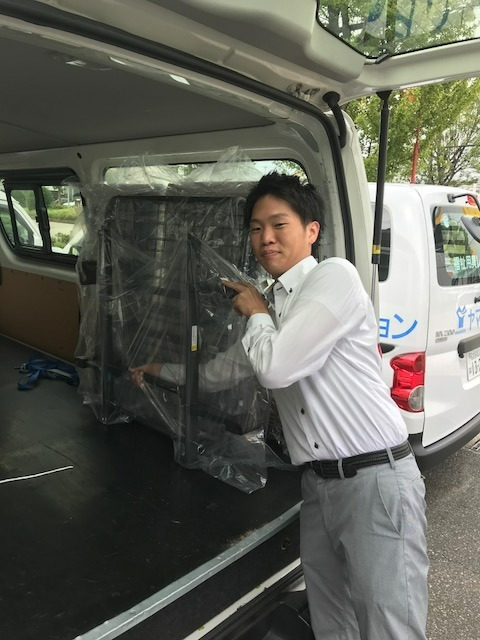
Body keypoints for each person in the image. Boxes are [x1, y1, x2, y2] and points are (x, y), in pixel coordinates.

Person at [131, 172, 429, 640]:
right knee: (333, 622)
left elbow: (275, 367)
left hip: (374, 481)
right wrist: (157, 370)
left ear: (311, 230)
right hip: (318, 486)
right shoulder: (274, 307)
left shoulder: (334, 277)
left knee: (389, 626)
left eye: (278, 224)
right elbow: (219, 372)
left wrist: (255, 312)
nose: (265, 237)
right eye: (255, 228)